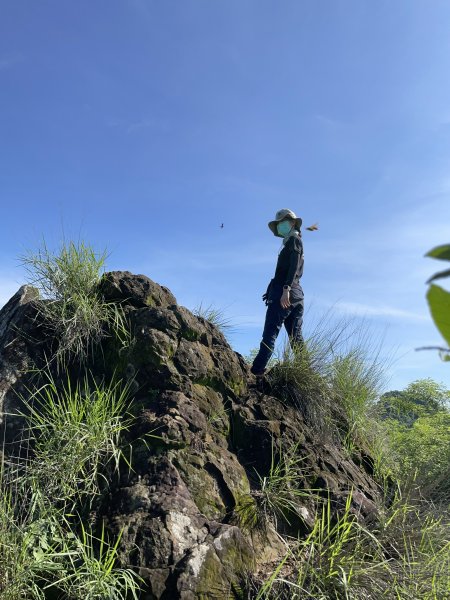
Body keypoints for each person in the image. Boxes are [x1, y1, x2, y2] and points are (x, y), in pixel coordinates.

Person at [251, 208, 305, 376]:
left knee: (270, 334)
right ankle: (305, 371)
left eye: (283, 222)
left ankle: (256, 371)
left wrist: (285, 289)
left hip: (286, 293)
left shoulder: (293, 241)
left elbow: (293, 265)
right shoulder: (292, 241)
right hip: (297, 295)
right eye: (279, 223)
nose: (281, 226)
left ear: (292, 223)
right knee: (296, 338)